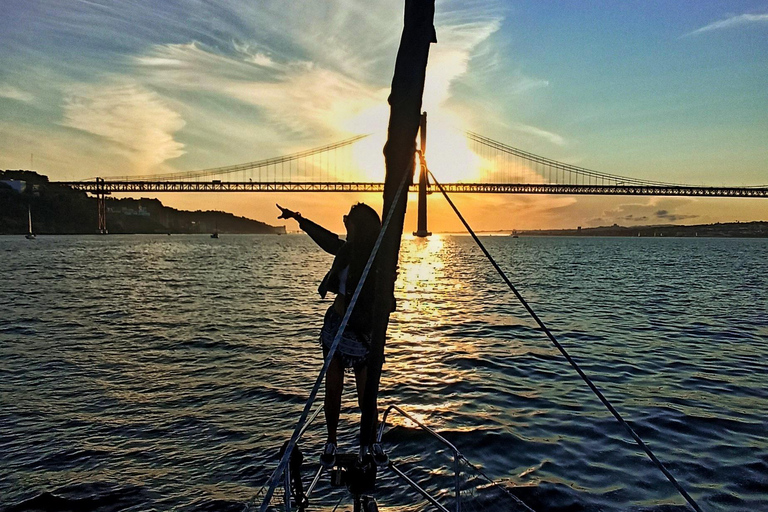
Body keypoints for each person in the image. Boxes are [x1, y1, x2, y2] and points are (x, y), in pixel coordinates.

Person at [277, 203, 388, 468]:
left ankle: (372, 442)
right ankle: (331, 442)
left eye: (348, 219)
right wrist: (299, 219)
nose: (344, 221)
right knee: (333, 389)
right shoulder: (346, 251)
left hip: (363, 335)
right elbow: (327, 239)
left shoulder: (378, 259)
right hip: (336, 328)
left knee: (367, 395)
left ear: (358, 226)